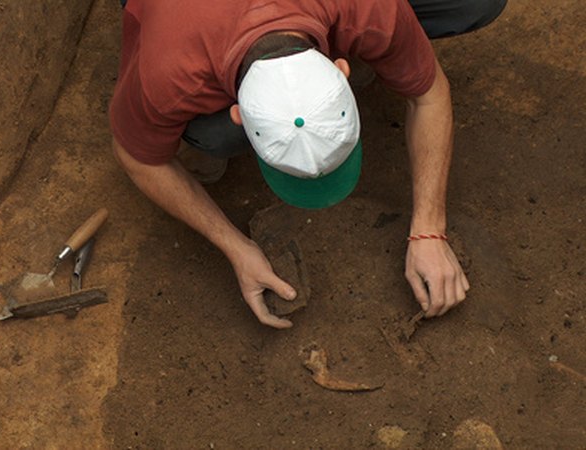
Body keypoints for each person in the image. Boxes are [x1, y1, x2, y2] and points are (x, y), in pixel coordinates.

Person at [110, 0, 507, 329]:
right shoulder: (168, 70)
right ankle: (204, 136)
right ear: (238, 113)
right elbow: (138, 157)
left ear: (341, 68)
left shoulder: (370, 7)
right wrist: (236, 247)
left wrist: (429, 230)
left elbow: (430, 93)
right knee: (214, 140)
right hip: (183, 16)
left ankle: (385, 48)